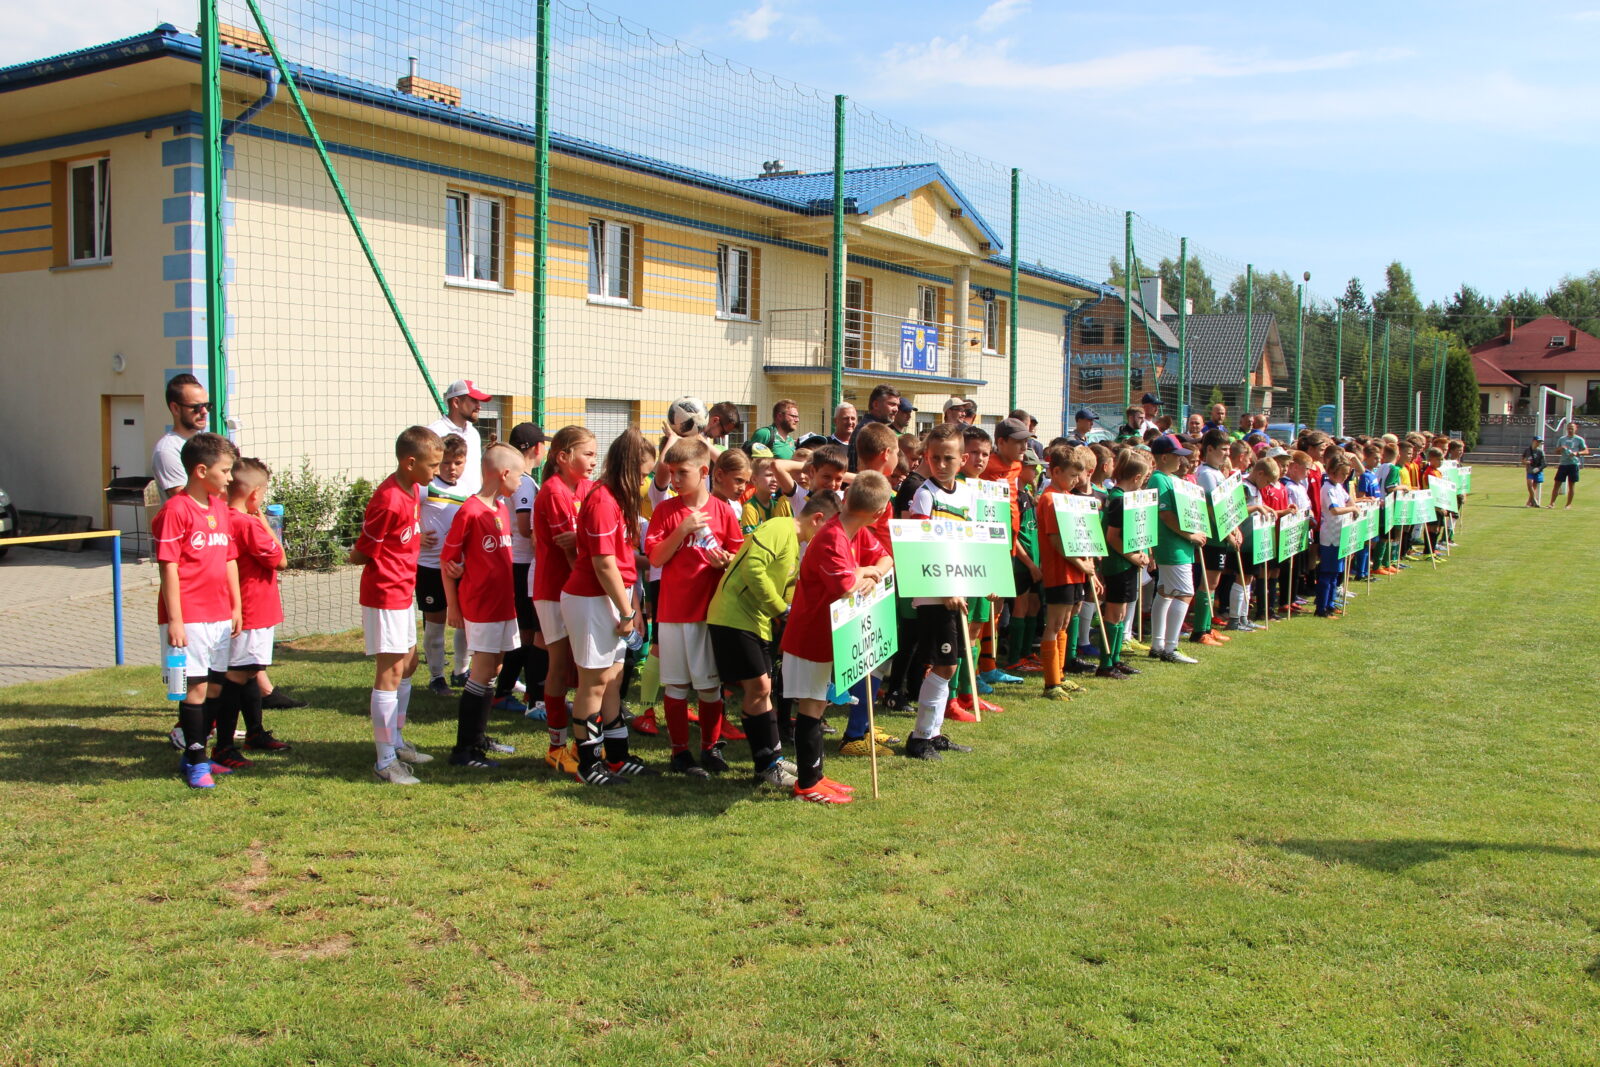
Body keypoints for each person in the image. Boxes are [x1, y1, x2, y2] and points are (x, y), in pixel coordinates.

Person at [707, 493, 840, 789]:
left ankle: (772, 759)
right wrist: (780, 610)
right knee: (759, 688)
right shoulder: (779, 528)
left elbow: (791, 589)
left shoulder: (795, 545)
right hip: (733, 618)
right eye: (829, 531)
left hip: (756, 623)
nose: (830, 539)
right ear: (818, 519)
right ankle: (766, 763)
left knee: (763, 690)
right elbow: (753, 569)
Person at [779, 472, 893, 800]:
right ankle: (808, 783)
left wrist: (871, 572)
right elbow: (844, 587)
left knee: (818, 706)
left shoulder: (855, 531)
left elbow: (886, 559)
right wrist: (863, 572)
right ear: (880, 513)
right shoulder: (832, 536)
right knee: (810, 709)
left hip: (828, 637)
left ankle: (814, 776)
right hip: (809, 638)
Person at [561, 429, 657, 786]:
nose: (646, 481)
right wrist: (627, 613)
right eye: (644, 473)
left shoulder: (615, 498)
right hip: (591, 599)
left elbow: (621, 561)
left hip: (610, 597)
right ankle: (588, 764)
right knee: (594, 682)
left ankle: (615, 758)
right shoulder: (602, 500)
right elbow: (603, 564)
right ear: (629, 468)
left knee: (613, 680)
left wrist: (630, 604)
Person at [644, 438, 744, 776]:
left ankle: (710, 748)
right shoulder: (666, 511)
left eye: (681, 472)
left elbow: (737, 557)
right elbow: (655, 557)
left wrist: (725, 561)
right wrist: (682, 530)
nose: (674, 480)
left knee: (709, 686)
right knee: (675, 686)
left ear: (704, 471)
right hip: (673, 612)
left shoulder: (723, 510)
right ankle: (679, 753)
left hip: (708, 613)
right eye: (670, 473)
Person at [353, 426, 442, 786]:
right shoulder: (388, 499)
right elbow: (362, 551)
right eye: (433, 465)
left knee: (409, 664)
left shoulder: (414, 489)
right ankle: (384, 760)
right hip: (385, 593)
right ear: (410, 463)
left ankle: (397, 739)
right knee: (389, 673)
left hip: (405, 590)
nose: (436, 472)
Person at [153, 431, 240, 789]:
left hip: (219, 613)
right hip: (188, 617)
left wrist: (236, 605)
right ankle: (197, 761)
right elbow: (168, 567)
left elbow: (230, 558)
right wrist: (175, 620)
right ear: (201, 471)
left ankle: (194, 755)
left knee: (217, 688)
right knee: (194, 689)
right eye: (225, 471)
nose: (231, 478)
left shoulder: (220, 508)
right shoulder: (175, 510)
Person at [441, 443, 525, 769]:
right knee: (482, 671)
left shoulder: (500, 508)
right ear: (504, 473)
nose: (521, 482)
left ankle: (479, 738)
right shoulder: (470, 511)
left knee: (496, 668)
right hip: (482, 605)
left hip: (504, 605)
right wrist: (452, 606)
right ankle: (464, 751)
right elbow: (448, 560)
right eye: (519, 475)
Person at [903, 423, 981, 756]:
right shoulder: (924, 493)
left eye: (948, 458)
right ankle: (920, 737)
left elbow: (972, 541)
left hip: (959, 589)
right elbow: (922, 545)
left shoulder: (966, 494)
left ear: (962, 459)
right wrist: (943, 586)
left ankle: (934, 733)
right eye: (934, 458)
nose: (941, 464)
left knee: (950, 664)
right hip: (935, 592)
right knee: (943, 663)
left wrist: (983, 581)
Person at [212, 457, 291, 771]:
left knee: (249, 671)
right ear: (256, 494)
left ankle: (255, 733)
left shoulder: (223, 516)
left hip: (245, 608)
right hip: (252, 609)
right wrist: (262, 520)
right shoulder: (246, 523)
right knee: (237, 675)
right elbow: (281, 559)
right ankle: (224, 747)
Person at [531, 426, 597, 774]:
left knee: (585, 668)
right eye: (587, 454)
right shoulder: (554, 492)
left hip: (580, 588)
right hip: (556, 590)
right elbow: (570, 550)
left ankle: (582, 742)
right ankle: (556, 746)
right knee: (558, 665)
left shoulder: (587, 488)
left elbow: (585, 539)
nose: (593, 461)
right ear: (563, 457)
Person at [492, 423, 548, 716]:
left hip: (515, 561)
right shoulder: (524, 482)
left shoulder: (516, 480)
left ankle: (508, 689)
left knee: (526, 633)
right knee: (529, 634)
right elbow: (525, 528)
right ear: (535, 448)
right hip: (523, 562)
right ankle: (507, 692)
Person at [1033, 446, 1090, 699]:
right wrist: (1082, 564)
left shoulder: (1066, 496)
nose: (1076, 480)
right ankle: (1050, 683)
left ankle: (1061, 674)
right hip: (1060, 572)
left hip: (1074, 571)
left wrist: (1088, 569)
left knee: (1065, 622)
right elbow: (1056, 540)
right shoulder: (1050, 498)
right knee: (1054, 624)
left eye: (1079, 476)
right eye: (1072, 475)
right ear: (1056, 472)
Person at [417, 435, 471, 694]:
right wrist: (416, 536)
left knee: (465, 622)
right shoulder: (426, 487)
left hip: (458, 567)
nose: (452, 468)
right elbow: (406, 515)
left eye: (457, 462)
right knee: (435, 623)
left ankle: (462, 671)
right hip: (429, 567)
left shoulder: (467, 491)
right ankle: (436, 676)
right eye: (446, 462)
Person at [1146, 435, 1202, 663]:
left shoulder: (1168, 478)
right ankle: (1171, 647)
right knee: (1185, 593)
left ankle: (1159, 644)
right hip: (1172, 547)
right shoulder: (1159, 479)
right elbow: (1165, 514)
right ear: (1164, 457)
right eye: (1177, 456)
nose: (1181, 461)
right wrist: (1190, 534)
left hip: (1177, 546)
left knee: (1166, 592)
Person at [1097, 448, 1153, 678]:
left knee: (1121, 613)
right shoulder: (1118, 500)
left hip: (1127, 563)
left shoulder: (1126, 498)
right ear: (1137, 478)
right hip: (1118, 565)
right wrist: (1132, 556)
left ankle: (1116, 658)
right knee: (1114, 612)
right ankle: (1106, 663)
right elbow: (1112, 537)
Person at [151, 373, 211, 499]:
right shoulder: (168, 450)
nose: (204, 412)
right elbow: (185, 501)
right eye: (197, 407)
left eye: (207, 406)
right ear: (175, 408)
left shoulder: (205, 443)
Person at [1315, 452, 1360, 617]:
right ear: (1333, 472)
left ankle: (1330, 603)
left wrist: (1353, 506)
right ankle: (1321, 607)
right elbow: (1334, 510)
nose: (1346, 476)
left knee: (1335, 573)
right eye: (1343, 473)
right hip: (1330, 537)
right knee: (1327, 574)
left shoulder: (1339, 487)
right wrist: (1353, 509)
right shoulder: (1327, 488)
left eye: (1347, 473)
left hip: (1341, 534)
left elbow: (1348, 500)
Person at [429, 379, 490, 496]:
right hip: (443, 506)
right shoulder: (434, 433)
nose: (479, 407)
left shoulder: (474, 433)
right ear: (456, 402)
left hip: (471, 506)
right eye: (474, 401)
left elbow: (477, 474)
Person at [1552, 422, 1588, 509]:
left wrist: (1577, 453)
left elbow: (1586, 451)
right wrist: (1561, 448)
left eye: (1572, 428)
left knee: (1571, 485)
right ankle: (1552, 503)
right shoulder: (1562, 439)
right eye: (1568, 428)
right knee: (1557, 484)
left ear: (1576, 429)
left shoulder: (1579, 439)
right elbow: (1556, 451)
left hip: (1573, 464)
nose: (1570, 430)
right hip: (1563, 464)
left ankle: (1568, 504)